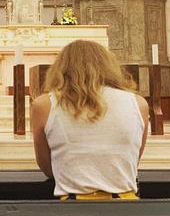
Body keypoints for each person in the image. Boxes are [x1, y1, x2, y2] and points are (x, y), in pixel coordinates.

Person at [31, 40, 149, 200]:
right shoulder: (139, 103)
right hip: (126, 205)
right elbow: (133, 157)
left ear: (61, 67)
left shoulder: (43, 105)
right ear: (108, 66)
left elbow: (46, 164)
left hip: (72, 207)